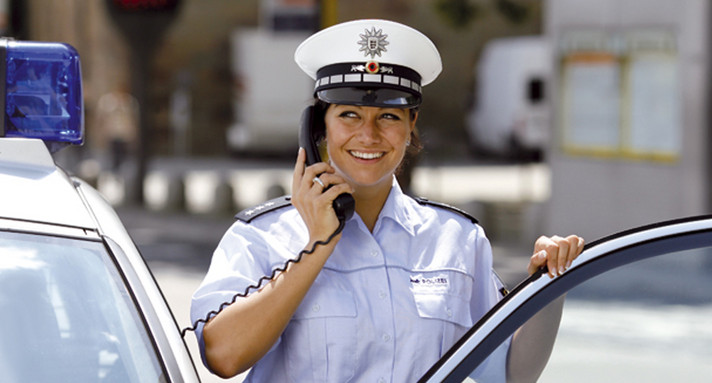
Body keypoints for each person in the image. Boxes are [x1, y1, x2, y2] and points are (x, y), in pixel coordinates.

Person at [190, 19, 583, 382]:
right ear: (317, 127)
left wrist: (549, 284)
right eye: (349, 115)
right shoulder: (263, 236)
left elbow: (509, 373)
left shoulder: (456, 239)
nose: (368, 135)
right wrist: (316, 247)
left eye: (389, 117)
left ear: (412, 125)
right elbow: (224, 356)